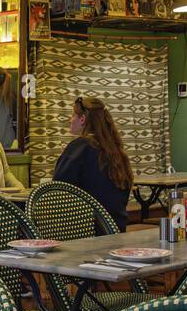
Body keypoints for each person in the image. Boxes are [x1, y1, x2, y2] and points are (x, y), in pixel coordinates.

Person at [53, 97, 134, 231]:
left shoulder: (79, 147)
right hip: (116, 228)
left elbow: (58, 189)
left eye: (73, 115)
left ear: (83, 119)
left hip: (86, 231)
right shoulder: (115, 150)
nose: (70, 119)